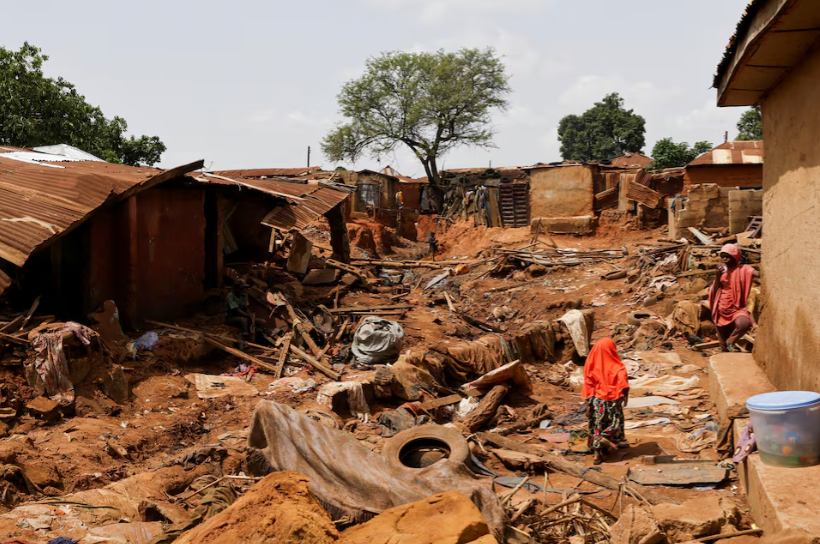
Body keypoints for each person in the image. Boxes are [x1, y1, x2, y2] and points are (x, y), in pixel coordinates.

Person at [582, 338, 630, 465]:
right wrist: (625, 397)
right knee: (614, 424)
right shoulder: (618, 367)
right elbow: (624, 385)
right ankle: (605, 439)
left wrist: (588, 404)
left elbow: (589, 384)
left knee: (597, 426)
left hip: (597, 401)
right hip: (613, 401)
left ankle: (598, 454)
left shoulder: (591, 365)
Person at [709, 244, 757, 352]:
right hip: (722, 308)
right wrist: (717, 276)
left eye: (727, 256)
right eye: (723, 256)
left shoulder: (743, 269)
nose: (724, 259)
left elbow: (756, 273)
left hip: (736, 308)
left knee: (744, 323)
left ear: (735, 257)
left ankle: (732, 340)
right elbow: (716, 290)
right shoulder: (721, 271)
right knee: (723, 346)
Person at [226, 282, 252, 347]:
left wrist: (249, 313)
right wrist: (247, 315)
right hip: (231, 317)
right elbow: (237, 309)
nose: (243, 290)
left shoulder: (244, 295)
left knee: (260, 321)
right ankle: (245, 336)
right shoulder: (230, 296)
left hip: (243, 315)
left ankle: (253, 339)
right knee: (243, 320)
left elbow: (246, 307)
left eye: (244, 288)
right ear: (236, 288)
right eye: (241, 288)